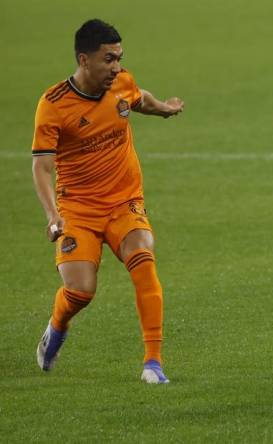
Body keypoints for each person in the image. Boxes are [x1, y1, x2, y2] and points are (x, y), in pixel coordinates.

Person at [32, 19, 184, 384]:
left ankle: (153, 363)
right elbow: (42, 167)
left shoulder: (121, 82)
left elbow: (138, 97)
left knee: (144, 258)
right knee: (80, 291)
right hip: (78, 211)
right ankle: (57, 326)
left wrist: (162, 108)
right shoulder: (54, 105)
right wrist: (53, 216)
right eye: (108, 59)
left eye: (119, 58)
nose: (116, 66)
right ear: (84, 60)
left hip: (124, 202)